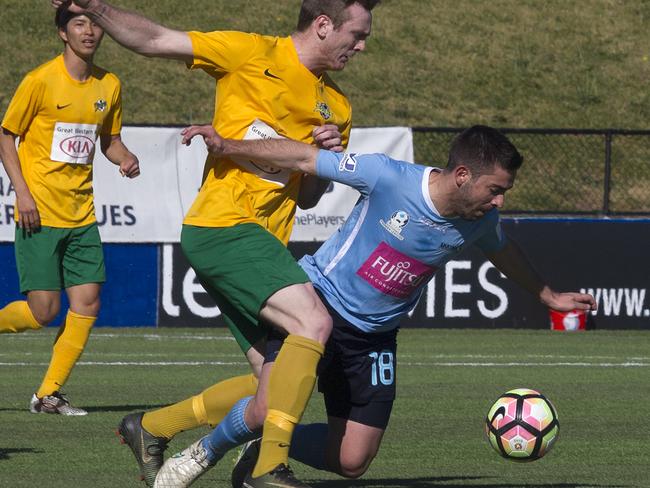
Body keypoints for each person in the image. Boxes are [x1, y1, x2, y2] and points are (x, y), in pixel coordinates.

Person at [153, 124, 597, 487]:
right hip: (317, 308)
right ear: (463, 175)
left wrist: (546, 295)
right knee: (266, 407)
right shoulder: (390, 177)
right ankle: (200, 455)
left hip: (375, 338)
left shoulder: (481, 219)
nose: (499, 201)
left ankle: (261, 449)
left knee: (352, 460)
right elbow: (304, 158)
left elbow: (503, 251)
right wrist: (230, 145)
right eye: (495, 189)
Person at [50, 1, 379, 486]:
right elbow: (155, 39)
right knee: (314, 321)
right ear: (324, 26)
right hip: (224, 226)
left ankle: (151, 426)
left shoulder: (338, 107)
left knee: (273, 391)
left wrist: (325, 158)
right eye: (358, 33)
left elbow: (308, 198)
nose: (363, 45)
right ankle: (268, 470)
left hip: (261, 245)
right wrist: (93, 7)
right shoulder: (249, 52)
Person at [0, 4, 139, 416]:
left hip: (82, 216)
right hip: (38, 212)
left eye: (95, 24)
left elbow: (109, 140)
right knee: (44, 311)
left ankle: (49, 394)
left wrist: (125, 156)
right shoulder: (39, 81)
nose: (89, 31)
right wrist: (22, 194)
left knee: (88, 302)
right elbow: (7, 139)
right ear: (63, 33)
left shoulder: (109, 85)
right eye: (79, 23)